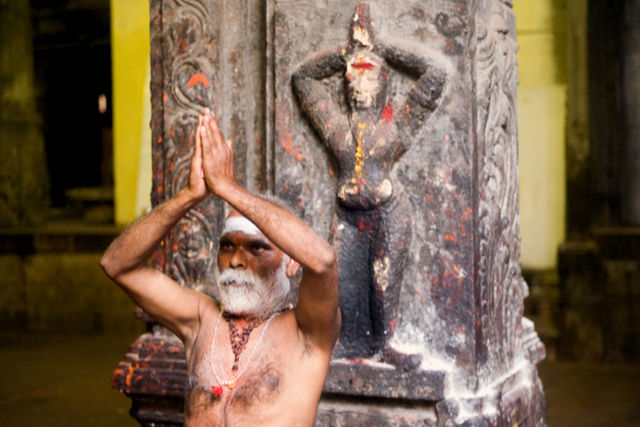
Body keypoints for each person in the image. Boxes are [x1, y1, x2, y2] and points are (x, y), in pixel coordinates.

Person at [101, 108, 340, 426]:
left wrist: (228, 188)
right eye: (228, 245)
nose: (237, 260)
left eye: (257, 248)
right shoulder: (202, 320)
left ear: (291, 262)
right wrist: (190, 196)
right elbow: (117, 265)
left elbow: (323, 262)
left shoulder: (307, 332)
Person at [291, 3, 445, 370]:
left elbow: (435, 75)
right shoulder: (336, 128)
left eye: (368, 74)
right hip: (347, 216)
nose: (358, 81)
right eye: (352, 76)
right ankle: (347, 342)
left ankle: (386, 342)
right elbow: (302, 79)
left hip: (389, 212)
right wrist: (349, 53)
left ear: (385, 81)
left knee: (383, 283)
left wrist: (382, 48)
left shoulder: (397, 126)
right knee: (340, 282)